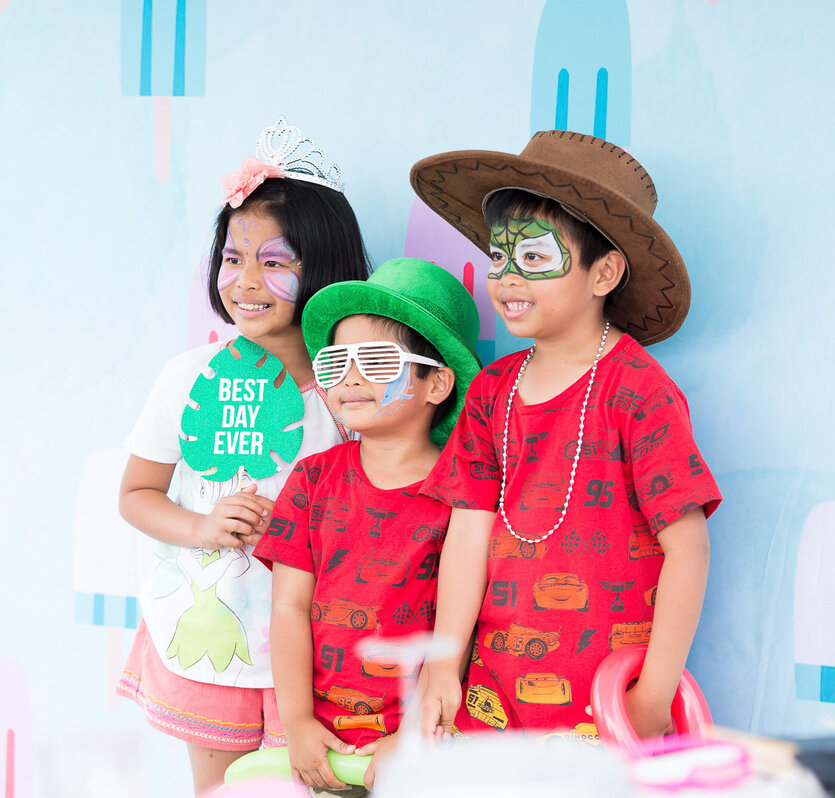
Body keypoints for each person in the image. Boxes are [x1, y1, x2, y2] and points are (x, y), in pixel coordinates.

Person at [410, 131, 722, 741]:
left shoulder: (637, 390)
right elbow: (468, 534)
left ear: (603, 271)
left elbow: (689, 549)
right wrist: (445, 663)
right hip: (493, 699)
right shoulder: (491, 392)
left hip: (607, 704)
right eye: (499, 259)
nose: (506, 279)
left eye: (533, 260)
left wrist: (654, 695)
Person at [116, 117, 370, 795]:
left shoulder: (353, 395)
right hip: (212, 642)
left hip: (319, 650)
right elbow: (135, 493)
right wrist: (202, 527)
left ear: (325, 267)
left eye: (275, 261)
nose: (246, 280)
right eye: (233, 257)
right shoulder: (187, 377)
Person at [255, 258, 482, 793]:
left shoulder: (465, 495)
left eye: (377, 360)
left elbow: (462, 625)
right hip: (318, 739)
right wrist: (297, 723)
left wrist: (415, 732)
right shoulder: (312, 480)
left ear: (437, 383)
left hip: (423, 736)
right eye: (335, 362)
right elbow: (288, 607)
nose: (350, 378)